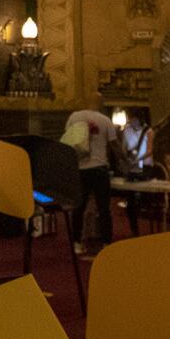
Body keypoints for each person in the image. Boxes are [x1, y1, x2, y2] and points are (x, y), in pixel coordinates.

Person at [61, 107, 117, 251]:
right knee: (104, 208)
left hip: (81, 169)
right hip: (99, 168)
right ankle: (106, 243)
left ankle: (77, 243)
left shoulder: (74, 116)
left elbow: (68, 140)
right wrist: (125, 162)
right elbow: (114, 144)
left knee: (79, 207)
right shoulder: (105, 120)